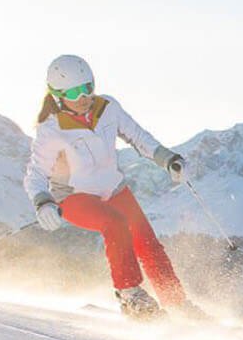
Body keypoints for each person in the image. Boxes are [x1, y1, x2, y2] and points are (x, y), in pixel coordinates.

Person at [24, 54, 193, 320]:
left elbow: (137, 136)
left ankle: (177, 303)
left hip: (112, 189)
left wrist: (168, 159)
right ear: (57, 95)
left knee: (147, 241)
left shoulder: (108, 108)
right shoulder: (51, 129)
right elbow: (35, 173)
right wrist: (43, 202)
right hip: (74, 197)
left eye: (87, 87)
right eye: (73, 92)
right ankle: (130, 295)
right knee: (114, 223)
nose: (83, 97)